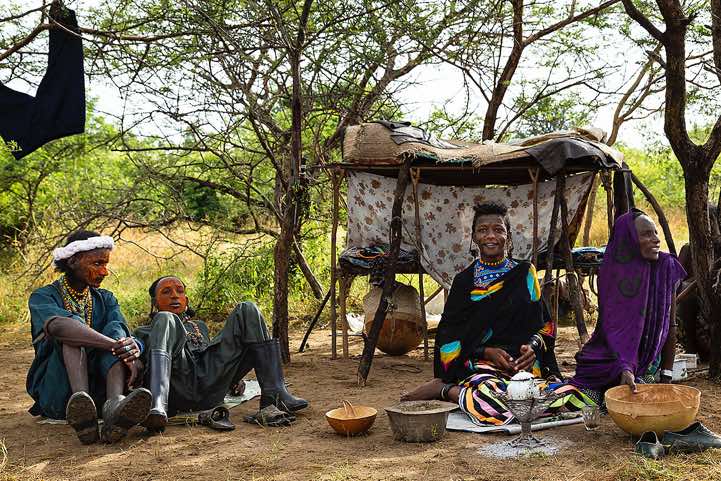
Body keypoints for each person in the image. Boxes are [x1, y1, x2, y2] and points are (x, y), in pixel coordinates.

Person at [402, 203, 591, 425]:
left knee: (575, 396)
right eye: (483, 230)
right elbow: (447, 339)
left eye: (498, 229)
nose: (491, 236)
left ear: (507, 236)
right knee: (490, 399)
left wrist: (532, 347)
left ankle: (497, 402)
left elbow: (545, 326)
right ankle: (446, 390)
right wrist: (486, 351)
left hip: (521, 367)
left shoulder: (525, 273)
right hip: (480, 366)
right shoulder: (464, 282)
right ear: (474, 237)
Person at [133, 276, 309, 432]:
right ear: (155, 303)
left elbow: (208, 358)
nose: (174, 295)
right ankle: (158, 406)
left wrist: (232, 377)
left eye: (180, 291)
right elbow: (139, 366)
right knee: (165, 318)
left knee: (247, 308)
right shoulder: (143, 332)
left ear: (186, 300)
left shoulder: (198, 326)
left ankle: (275, 395)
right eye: (166, 292)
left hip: (209, 390)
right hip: (178, 390)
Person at [27, 230, 151, 444]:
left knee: (114, 328)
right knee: (72, 332)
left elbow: (120, 331)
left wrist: (128, 346)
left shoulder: (106, 298)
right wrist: (115, 345)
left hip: (100, 386)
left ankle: (114, 405)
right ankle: (81, 406)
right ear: (73, 261)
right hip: (59, 391)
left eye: (106, 264)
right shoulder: (43, 296)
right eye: (97, 264)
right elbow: (58, 327)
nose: (105, 271)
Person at [569, 209, 686, 402]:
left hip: (643, 367)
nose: (656, 239)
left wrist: (666, 376)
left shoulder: (666, 268)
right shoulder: (612, 273)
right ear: (629, 240)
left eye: (655, 232)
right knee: (583, 402)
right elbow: (614, 328)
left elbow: (670, 324)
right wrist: (624, 366)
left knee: (641, 399)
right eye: (647, 234)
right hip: (607, 361)